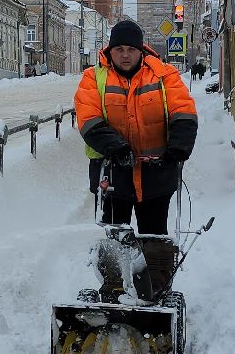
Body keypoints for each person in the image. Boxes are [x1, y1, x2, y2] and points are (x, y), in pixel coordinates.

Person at [75, 20, 197, 235]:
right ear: (109, 50)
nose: (125, 55)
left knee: (154, 239)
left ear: (141, 50)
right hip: (112, 174)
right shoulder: (93, 77)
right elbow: (88, 118)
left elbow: (183, 110)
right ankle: (117, 269)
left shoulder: (164, 75)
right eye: (119, 49)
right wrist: (117, 148)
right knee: (114, 243)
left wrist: (178, 147)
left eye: (131, 49)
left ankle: (155, 268)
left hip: (156, 175)